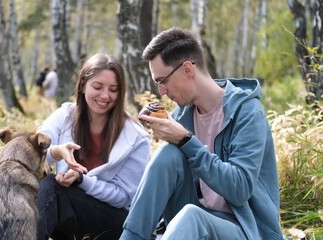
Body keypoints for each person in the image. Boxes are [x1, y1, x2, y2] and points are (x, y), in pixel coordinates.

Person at [120, 27, 283, 240]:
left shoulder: (248, 112)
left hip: (246, 230)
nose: (161, 91)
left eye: (162, 81)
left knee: (192, 216)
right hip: (195, 224)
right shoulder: (182, 116)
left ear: (188, 69)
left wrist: (186, 140)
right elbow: (165, 177)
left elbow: (239, 189)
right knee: (167, 155)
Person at [36, 53, 151, 240]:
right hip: (70, 211)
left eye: (113, 89)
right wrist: (56, 152)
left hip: (115, 222)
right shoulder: (65, 115)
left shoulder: (136, 137)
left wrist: (83, 181)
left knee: (52, 189)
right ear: (82, 85)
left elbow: (124, 197)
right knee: (39, 184)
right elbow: (35, 152)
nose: (105, 96)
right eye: (97, 87)